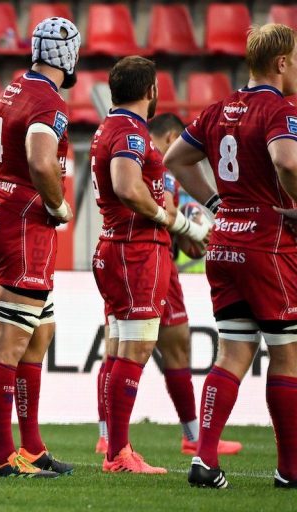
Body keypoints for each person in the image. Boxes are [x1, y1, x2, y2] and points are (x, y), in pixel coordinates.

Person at [163, 23, 297, 489]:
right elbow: (287, 162)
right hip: (269, 242)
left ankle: (204, 459)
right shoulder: (280, 109)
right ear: (282, 62)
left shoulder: (220, 108)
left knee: (235, 349)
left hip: (225, 241)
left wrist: (218, 204)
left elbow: (175, 160)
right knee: (287, 352)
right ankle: (290, 471)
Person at [94, 113, 238, 457]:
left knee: (115, 345)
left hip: (115, 252)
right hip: (148, 259)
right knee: (174, 345)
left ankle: (107, 436)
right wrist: (193, 233)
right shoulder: (154, 163)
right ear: (173, 135)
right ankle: (191, 436)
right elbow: (168, 211)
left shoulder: (116, 144)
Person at [0, 17, 78, 478]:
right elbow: (39, 159)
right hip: (25, 224)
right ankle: (1, 455)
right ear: (70, 56)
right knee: (11, 339)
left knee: (39, 333)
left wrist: (9, 184)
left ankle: (31, 448)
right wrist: (55, 204)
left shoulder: (13, 90)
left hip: (9, 215)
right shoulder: (48, 102)